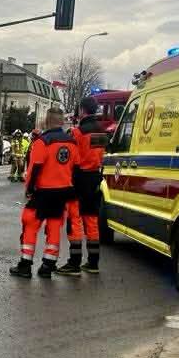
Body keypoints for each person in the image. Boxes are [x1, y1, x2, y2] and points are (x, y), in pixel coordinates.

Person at [10, 109, 79, 279]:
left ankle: (25, 265)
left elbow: (35, 168)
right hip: (63, 192)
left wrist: (29, 189)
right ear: (62, 122)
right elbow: (76, 169)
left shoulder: (43, 142)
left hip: (43, 191)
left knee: (30, 224)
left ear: (46, 122)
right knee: (54, 227)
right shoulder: (72, 142)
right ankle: (48, 266)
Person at [57, 97, 107, 276]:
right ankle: (93, 262)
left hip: (79, 179)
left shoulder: (78, 132)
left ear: (82, 110)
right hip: (95, 179)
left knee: (75, 220)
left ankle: (74, 263)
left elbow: (70, 157)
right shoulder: (102, 132)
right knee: (92, 220)